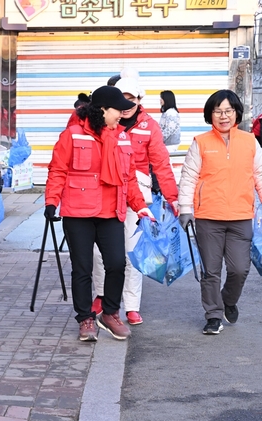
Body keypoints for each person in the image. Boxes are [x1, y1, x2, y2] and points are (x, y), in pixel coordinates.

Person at [45, 85, 152, 342]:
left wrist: (140, 206)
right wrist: (51, 202)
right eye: (118, 110)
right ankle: (85, 319)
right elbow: (57, 170)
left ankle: (110, 312)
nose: (122, 115)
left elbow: (129, 179)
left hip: (111, 211)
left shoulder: (122, 138)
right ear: (103, 109)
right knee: (82, 268)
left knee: (116, 263)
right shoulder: (72, 135)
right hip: (77, 212)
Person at [91, 78, 179, 326]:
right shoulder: (101, 122)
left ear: (140, 100)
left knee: (132, 252)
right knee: (100, 252)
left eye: (132, 98)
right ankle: (101, 295)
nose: (127, 104)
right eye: (123, 98)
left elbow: (161, 163)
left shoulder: (149, 126)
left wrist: (172, 196)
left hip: (136, 195)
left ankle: (131, 305)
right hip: (104, 192)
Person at [178, 90, 262, 335]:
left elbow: (259, 175)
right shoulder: (201, 142)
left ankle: (228, 300)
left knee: (239, 269)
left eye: (228, 111)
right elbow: (189, 177)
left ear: (236, 113)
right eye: (218, 111)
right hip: (208, 217)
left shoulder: (250, 141)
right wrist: (185, 209)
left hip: (241, 215)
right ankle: (213, 316)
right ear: (210, 115)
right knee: (211, 271)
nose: (223, 116)